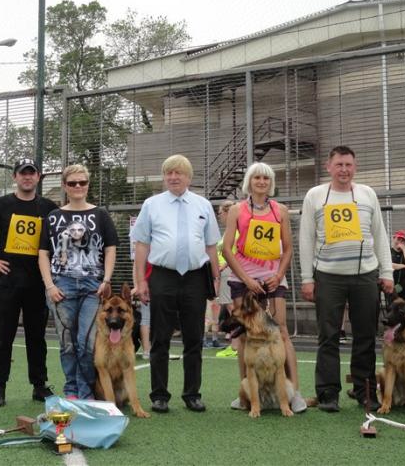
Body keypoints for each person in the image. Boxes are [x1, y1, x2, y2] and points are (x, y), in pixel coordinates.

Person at [299, 146, 394, 413]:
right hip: (328, 276)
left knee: (365, 335)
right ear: (328, 167)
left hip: (365, 275)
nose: (344, 170)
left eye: (348, 165)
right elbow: (306, 238)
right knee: (328, 336)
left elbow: (380, 235)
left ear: (355, 167)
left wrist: (386, 272)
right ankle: (328, 393)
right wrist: (307, 278)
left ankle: (364, 391)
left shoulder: (367, 194)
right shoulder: (315, 195)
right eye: (339, 164)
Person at [131, 154, 221, 414]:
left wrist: (215, 278)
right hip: (162, 276)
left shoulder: (203, 205)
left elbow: (211, 246)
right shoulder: (151, 205)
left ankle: (192, 394)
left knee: (194, 338)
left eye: (178, 173)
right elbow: (142, 245)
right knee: (160, 338)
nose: (173, 177)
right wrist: (141, 281)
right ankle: (159, 395)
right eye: (169, 173)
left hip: (195, 278)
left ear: (188, 177)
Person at [0, 158, 58, 407]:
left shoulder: (49, 207)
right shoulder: (0, 205)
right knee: (3, 336)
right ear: (15, 177)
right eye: (22, 173)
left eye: (31, 173)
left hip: (37, 283)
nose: (27, 177)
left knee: (37, 337)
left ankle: (39, 385)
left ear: (38, 177)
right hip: (7, 282)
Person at [222, 162, 306, 413]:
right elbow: (227, 249)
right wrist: (247, 280)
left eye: (266, 178)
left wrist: (278, 275)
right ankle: (246, 393)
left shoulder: (280, 210)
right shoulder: (236, 210)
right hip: (243, 279)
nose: (261, 182)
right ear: (249, 181)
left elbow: (287, 248)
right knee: (244, 334)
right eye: (257, 177)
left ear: (271, 183)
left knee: (281, 332)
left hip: (272, 279)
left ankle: (295, 393)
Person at [38, 164, 118, 400]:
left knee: (87, 342)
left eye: (82, 182)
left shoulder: (101, 215)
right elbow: (43, 254)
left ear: (88, 185)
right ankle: (71, 390)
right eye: (72, 183)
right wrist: (49, 286)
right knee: (67, 343)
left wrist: (106, 279)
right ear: (65, 186)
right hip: (61, 284)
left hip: (93, 285)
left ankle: (86, 392)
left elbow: (111, 249)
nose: (78, 186)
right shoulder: (54, 217)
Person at [215, 201, 239, 358]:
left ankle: (236, 345)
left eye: (220, 213)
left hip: (229, 270)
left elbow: (237, 252)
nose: (219, 216)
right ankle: (237, 344)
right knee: (232, 307)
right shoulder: (230, 231)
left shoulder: (235, 231)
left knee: (232, 308)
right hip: (225, 271)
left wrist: (224, 265)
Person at [390, 230, 405, 300]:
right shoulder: (389, 252)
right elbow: (389, 265)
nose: (400, 242)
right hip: (393, 288)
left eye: (403, 240)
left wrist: (404, 249)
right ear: (394, 238)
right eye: (398, 239)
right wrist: (403, 266)